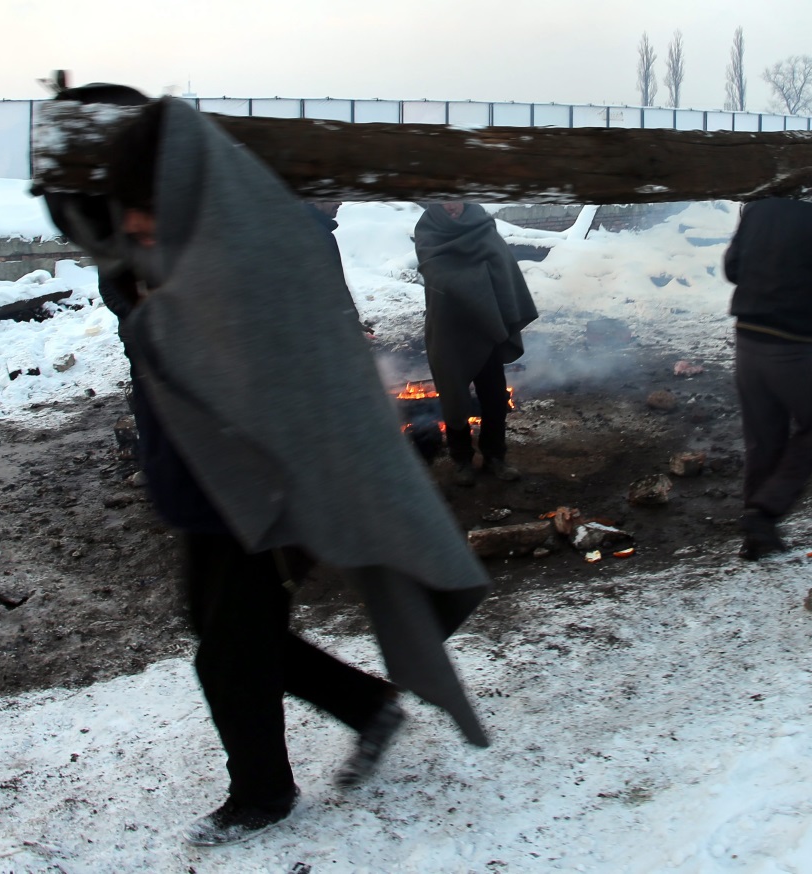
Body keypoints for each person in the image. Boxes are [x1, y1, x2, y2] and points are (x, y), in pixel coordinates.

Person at [42, 96, 493, 846]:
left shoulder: (249, 250)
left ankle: (263, 793)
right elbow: (106, 246)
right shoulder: (157, 243)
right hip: (196, 480)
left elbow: (302, 373)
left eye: (145, 213)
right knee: (228, 635)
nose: (137, 231)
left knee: (228, 653)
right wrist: (66, 174)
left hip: (253, 490)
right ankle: (365, 707)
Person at [722, 198, 812, 559]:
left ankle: (757, 536)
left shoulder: (757, 209)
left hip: (747, 339)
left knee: (762, 438)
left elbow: (732, 268)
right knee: (811, 429)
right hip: (795, 346)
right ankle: (764, 512)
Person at [414, 202, 539, 487]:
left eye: (456, 198)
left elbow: (502, 263)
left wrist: (482, 290)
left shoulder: (481, 223)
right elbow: (435, 272)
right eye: (446, 199)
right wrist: (477, 281)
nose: (452, 205)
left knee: (494, 397)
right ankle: (461, 460)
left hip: (486, 325)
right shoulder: (429, 227)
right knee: (453, 396)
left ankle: (496, 456)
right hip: (448, 326)